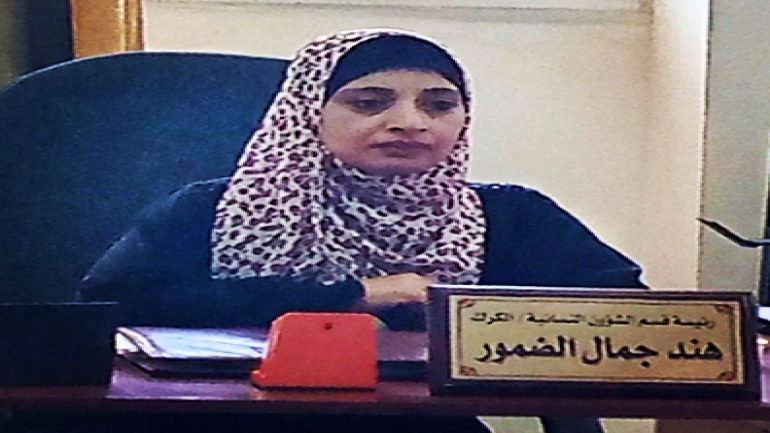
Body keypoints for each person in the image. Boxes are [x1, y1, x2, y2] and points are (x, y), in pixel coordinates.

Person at [77, 29, 645, 433]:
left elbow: (629, 316)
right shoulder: (213, 208)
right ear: (308, 113)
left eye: (439, 105)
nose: (409, 122)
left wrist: (475, 314)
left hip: (418, 425)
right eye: (370, 103)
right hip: (220, 420)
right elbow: (112, 302)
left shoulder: (514, 217)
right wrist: (355, 295)